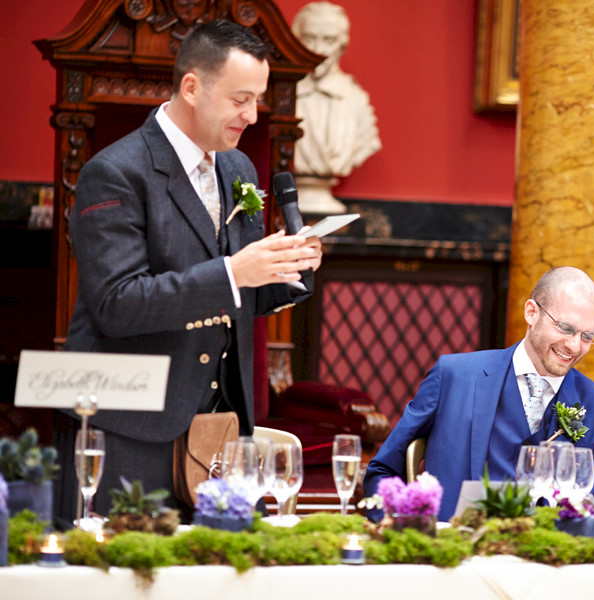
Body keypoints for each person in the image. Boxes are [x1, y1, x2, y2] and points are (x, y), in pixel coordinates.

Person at [53, 20, 323, 522]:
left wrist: (286, 268)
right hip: (126, 426)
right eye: (241, 98)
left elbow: (238, 295)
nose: (252, 114)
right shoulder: (115, 172)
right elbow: (117, 304)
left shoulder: (238, 169)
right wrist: (232, 273)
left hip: (220, 429)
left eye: (258, 99)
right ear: (192, 86)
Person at [363, 267, 594, 522]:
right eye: (565, 328)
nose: (573, 346)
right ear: (531, 312)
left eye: (587, 336)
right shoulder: (453, 376)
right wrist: (403, 532)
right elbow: (384, 471)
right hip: (453, 557)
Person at [290, 2, 381, 211]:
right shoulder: (279, 96)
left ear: (342, 44)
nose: (318, 50)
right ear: (296, 41)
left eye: (328, 40)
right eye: (309, 39)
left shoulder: (356, 99)